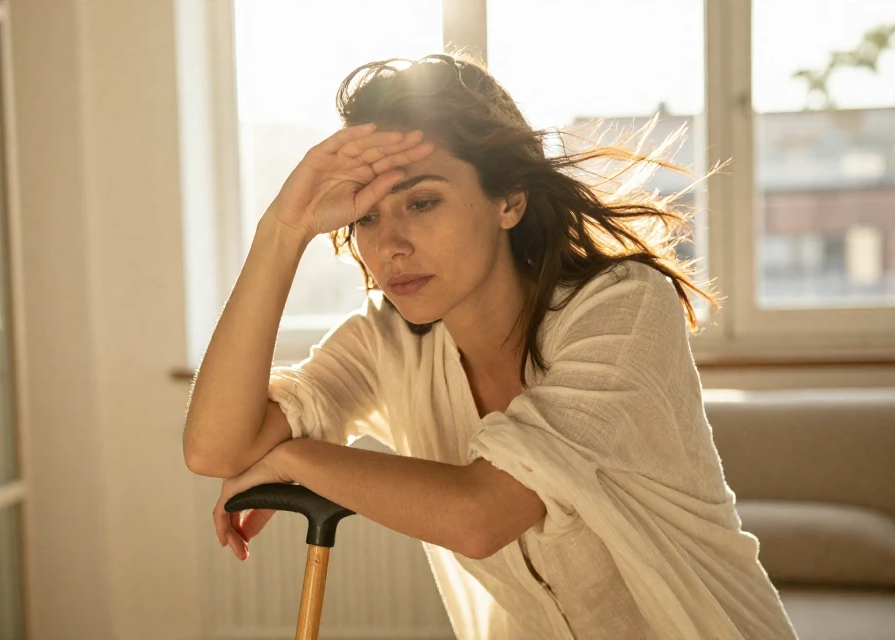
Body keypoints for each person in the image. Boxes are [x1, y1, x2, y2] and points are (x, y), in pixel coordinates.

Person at [182, 54, 797, 639]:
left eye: (422, 202)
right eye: (366, 217)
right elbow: (214, 447)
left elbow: (479, 516)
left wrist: (295, 460)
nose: (389, 244)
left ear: (510, 200)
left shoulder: (622, 307)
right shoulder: (386, 341)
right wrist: (283, 231)